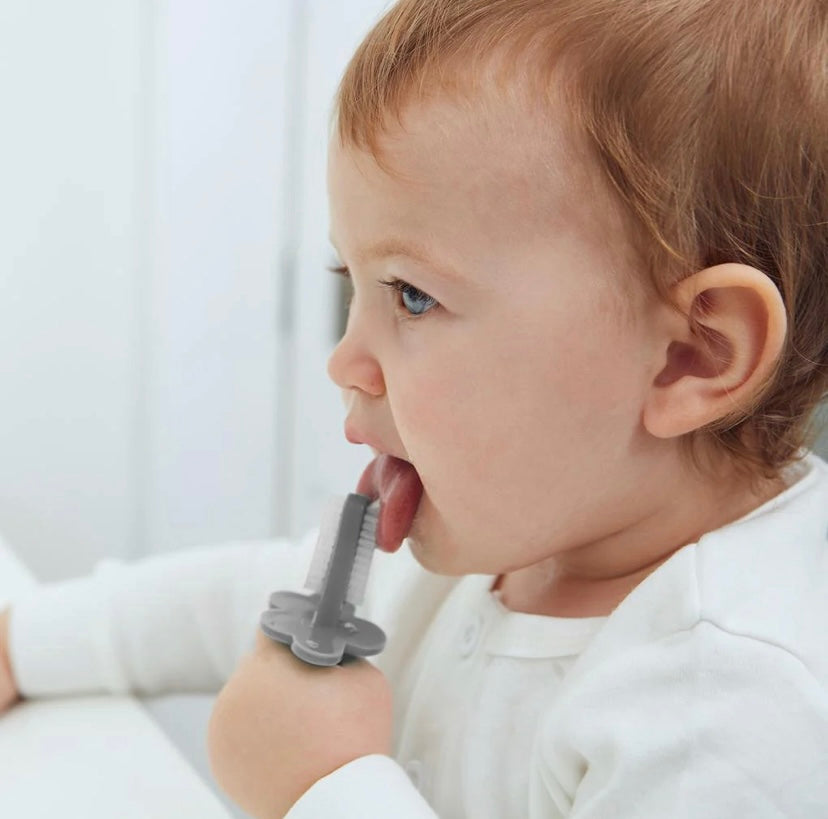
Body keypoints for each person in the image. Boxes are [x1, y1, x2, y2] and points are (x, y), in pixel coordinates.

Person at [2, 0, 828, 816]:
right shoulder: (524, 524)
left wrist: (323, 786)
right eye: (349, 283)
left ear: (691, 356)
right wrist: (25, 640)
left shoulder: (730, 713)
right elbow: (246, 593)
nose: (344, 360)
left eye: (413, 295)